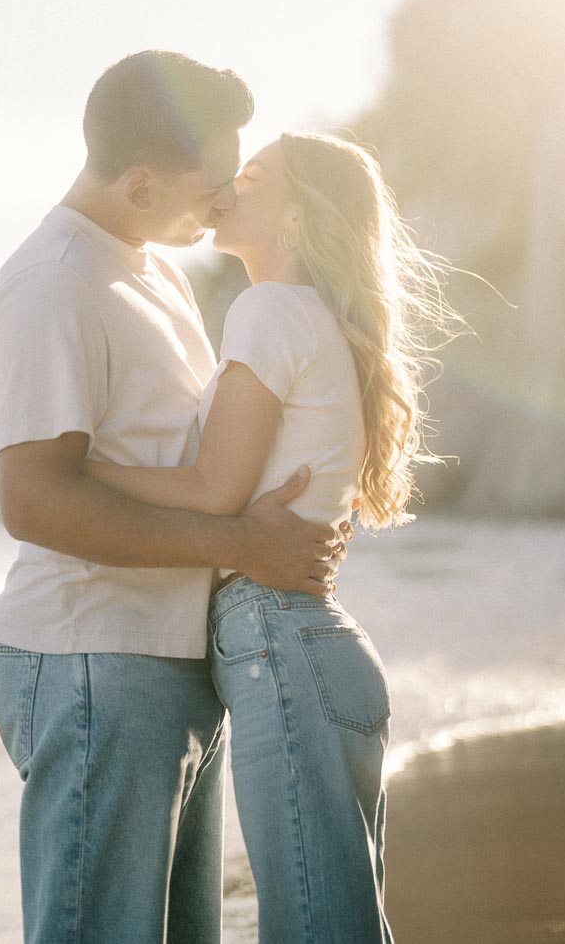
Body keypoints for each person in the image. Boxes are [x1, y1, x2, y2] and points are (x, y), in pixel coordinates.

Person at [0, 53, 345, 944]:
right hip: (93, 662)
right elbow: (34, 502)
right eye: (209, 187)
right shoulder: (52, 283)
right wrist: (247, 545)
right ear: (140, 184)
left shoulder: (155, 270)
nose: (223, 202)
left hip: (168, 661)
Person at [85, 131, 461, 944]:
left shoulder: (267, 309)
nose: (226, 185)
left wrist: (81, 470)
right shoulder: (318, 318)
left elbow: (213, 491)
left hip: (283, 648)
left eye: (250, 177)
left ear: (295, 217)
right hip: (316, 649)